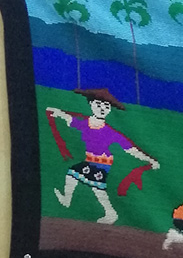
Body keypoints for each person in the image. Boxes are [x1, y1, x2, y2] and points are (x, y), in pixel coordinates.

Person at [46, 88, 160, 225]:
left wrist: (149, 160)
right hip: (89, 160)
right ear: (91, 104)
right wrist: (58, 113)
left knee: (97, 188)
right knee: (73, 174)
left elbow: (130, 149)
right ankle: (67, 200)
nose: (102, 108)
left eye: (106, 106)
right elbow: (71, 120)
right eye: (98, 105)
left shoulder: (110, 132)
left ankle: (111, 213)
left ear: (110, 110)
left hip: (102, 162)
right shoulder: (86, 123)